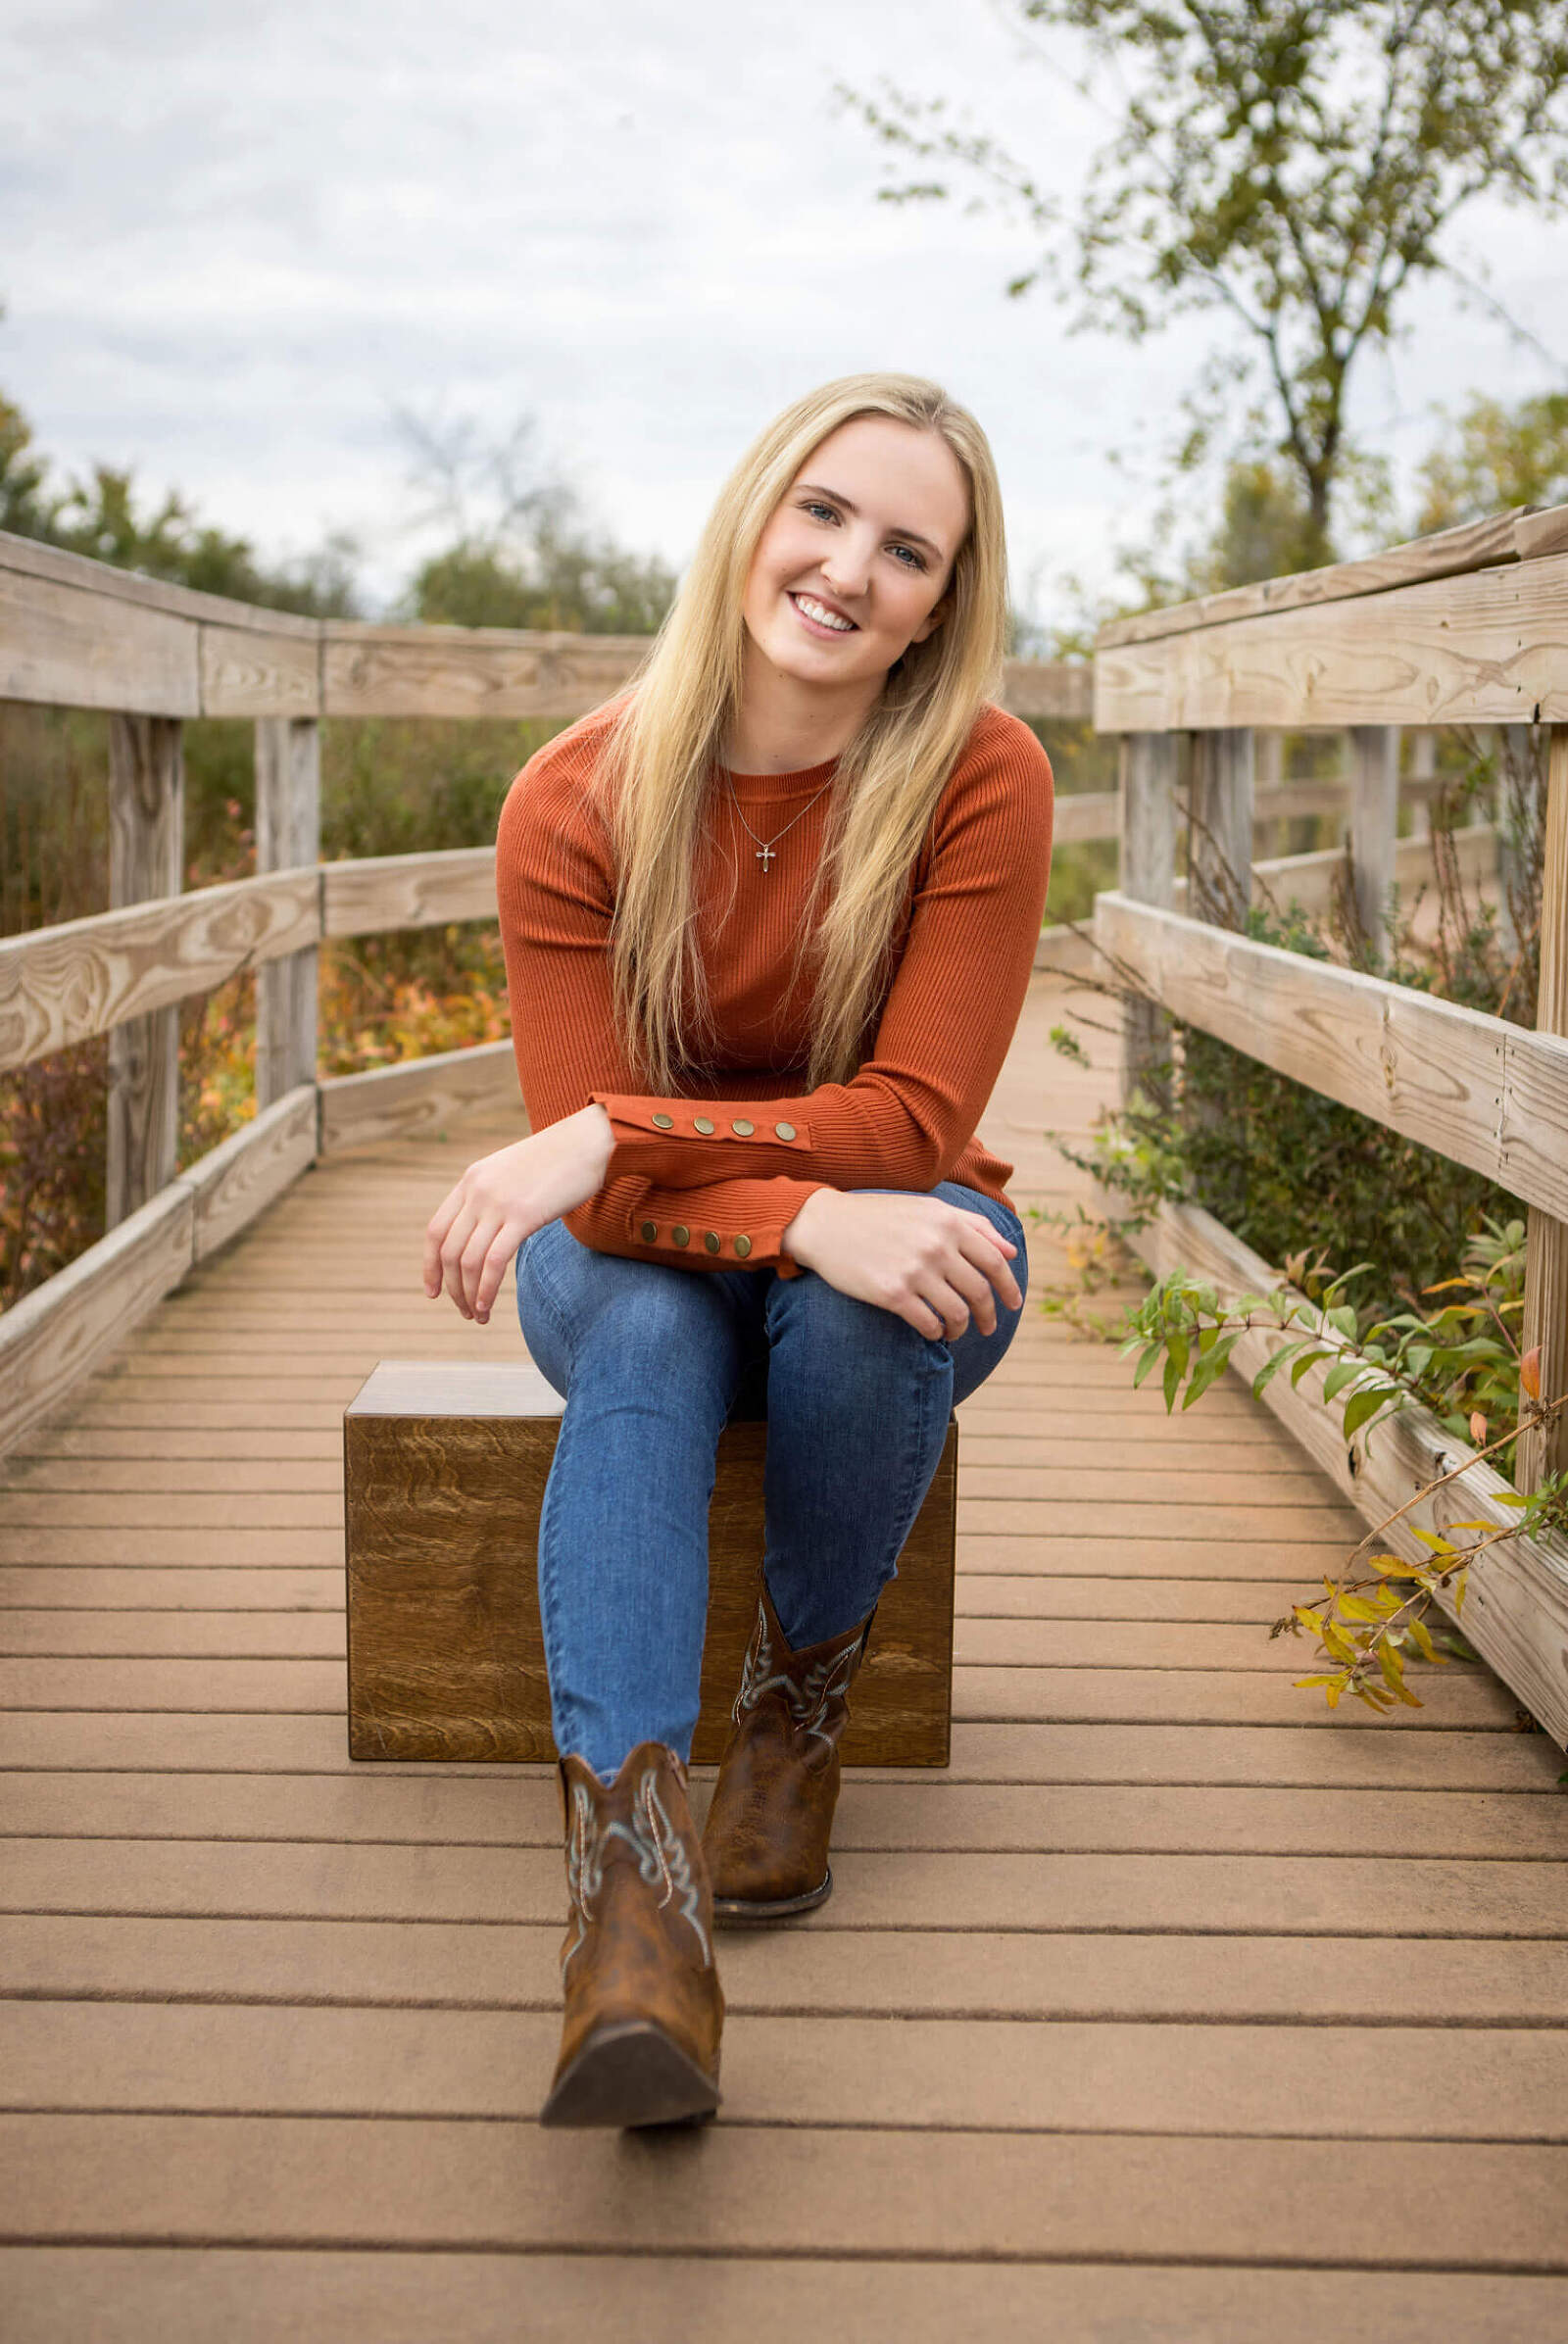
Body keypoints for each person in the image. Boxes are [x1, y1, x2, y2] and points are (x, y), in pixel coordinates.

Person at [422, 370, 1054, 2131]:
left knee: (881, 1307)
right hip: (636, 1255)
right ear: (755, 516)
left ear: (945, 599)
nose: (852, 568)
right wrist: (790, 1207)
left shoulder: (979, 778)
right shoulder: (577, 800)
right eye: (826, 513)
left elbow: (916, 1118)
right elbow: (612, 1213)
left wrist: (626, 1133)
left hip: (884, 1213)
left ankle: (793, 1711)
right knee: (639, 1337)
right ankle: (632, 1917)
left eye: (909, 548)